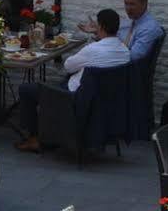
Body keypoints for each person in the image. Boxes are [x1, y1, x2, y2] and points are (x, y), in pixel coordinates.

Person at [12, 8, 133, 151]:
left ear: (100, 26)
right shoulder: (125, 52)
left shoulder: (93, 49)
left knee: (26, 89)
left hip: (75, 99)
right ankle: (51, 132)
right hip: (105, 101)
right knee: (61, 81)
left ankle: (34, 138)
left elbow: (68, 66)